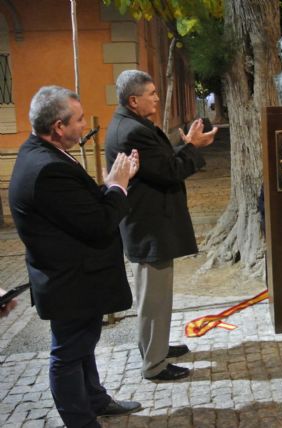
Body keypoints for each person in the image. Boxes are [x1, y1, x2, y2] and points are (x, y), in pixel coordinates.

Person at [9, 86, 141, 427]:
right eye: (79, 120)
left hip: (73, 277)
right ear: (58, 126)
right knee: (68, 354)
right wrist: (119, 186)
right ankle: (80, 421)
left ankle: (95, 399)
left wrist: (110, 184)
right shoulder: (47, 167)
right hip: (69, 280)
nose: (84, 125)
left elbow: (75, 208)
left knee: (83, 345)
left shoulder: (42, 153)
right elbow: (97, 223)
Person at [105, 70, 217, 381]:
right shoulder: (133, 131)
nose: (157, 97)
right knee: (153, 298)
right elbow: (169, 171)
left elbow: (158, 162)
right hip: (149, 226)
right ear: (133, 100)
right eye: (151, 93)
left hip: (148, 224)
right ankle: (154, 364)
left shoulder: (131, 124)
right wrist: (193, 147)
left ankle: (156, 347)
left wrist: (187, 145)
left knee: (154, 295)